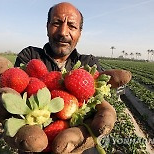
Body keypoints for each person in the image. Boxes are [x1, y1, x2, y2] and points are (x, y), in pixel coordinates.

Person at [13, 2, 130, 154]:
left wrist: (100, 113)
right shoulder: (30, 57)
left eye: (72, 26)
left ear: (79, 33)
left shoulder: (89, 64)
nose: (63, 32)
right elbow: (16, 94)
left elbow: (96, 101)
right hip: (35, 143)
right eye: (56, 23)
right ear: (47, 27)